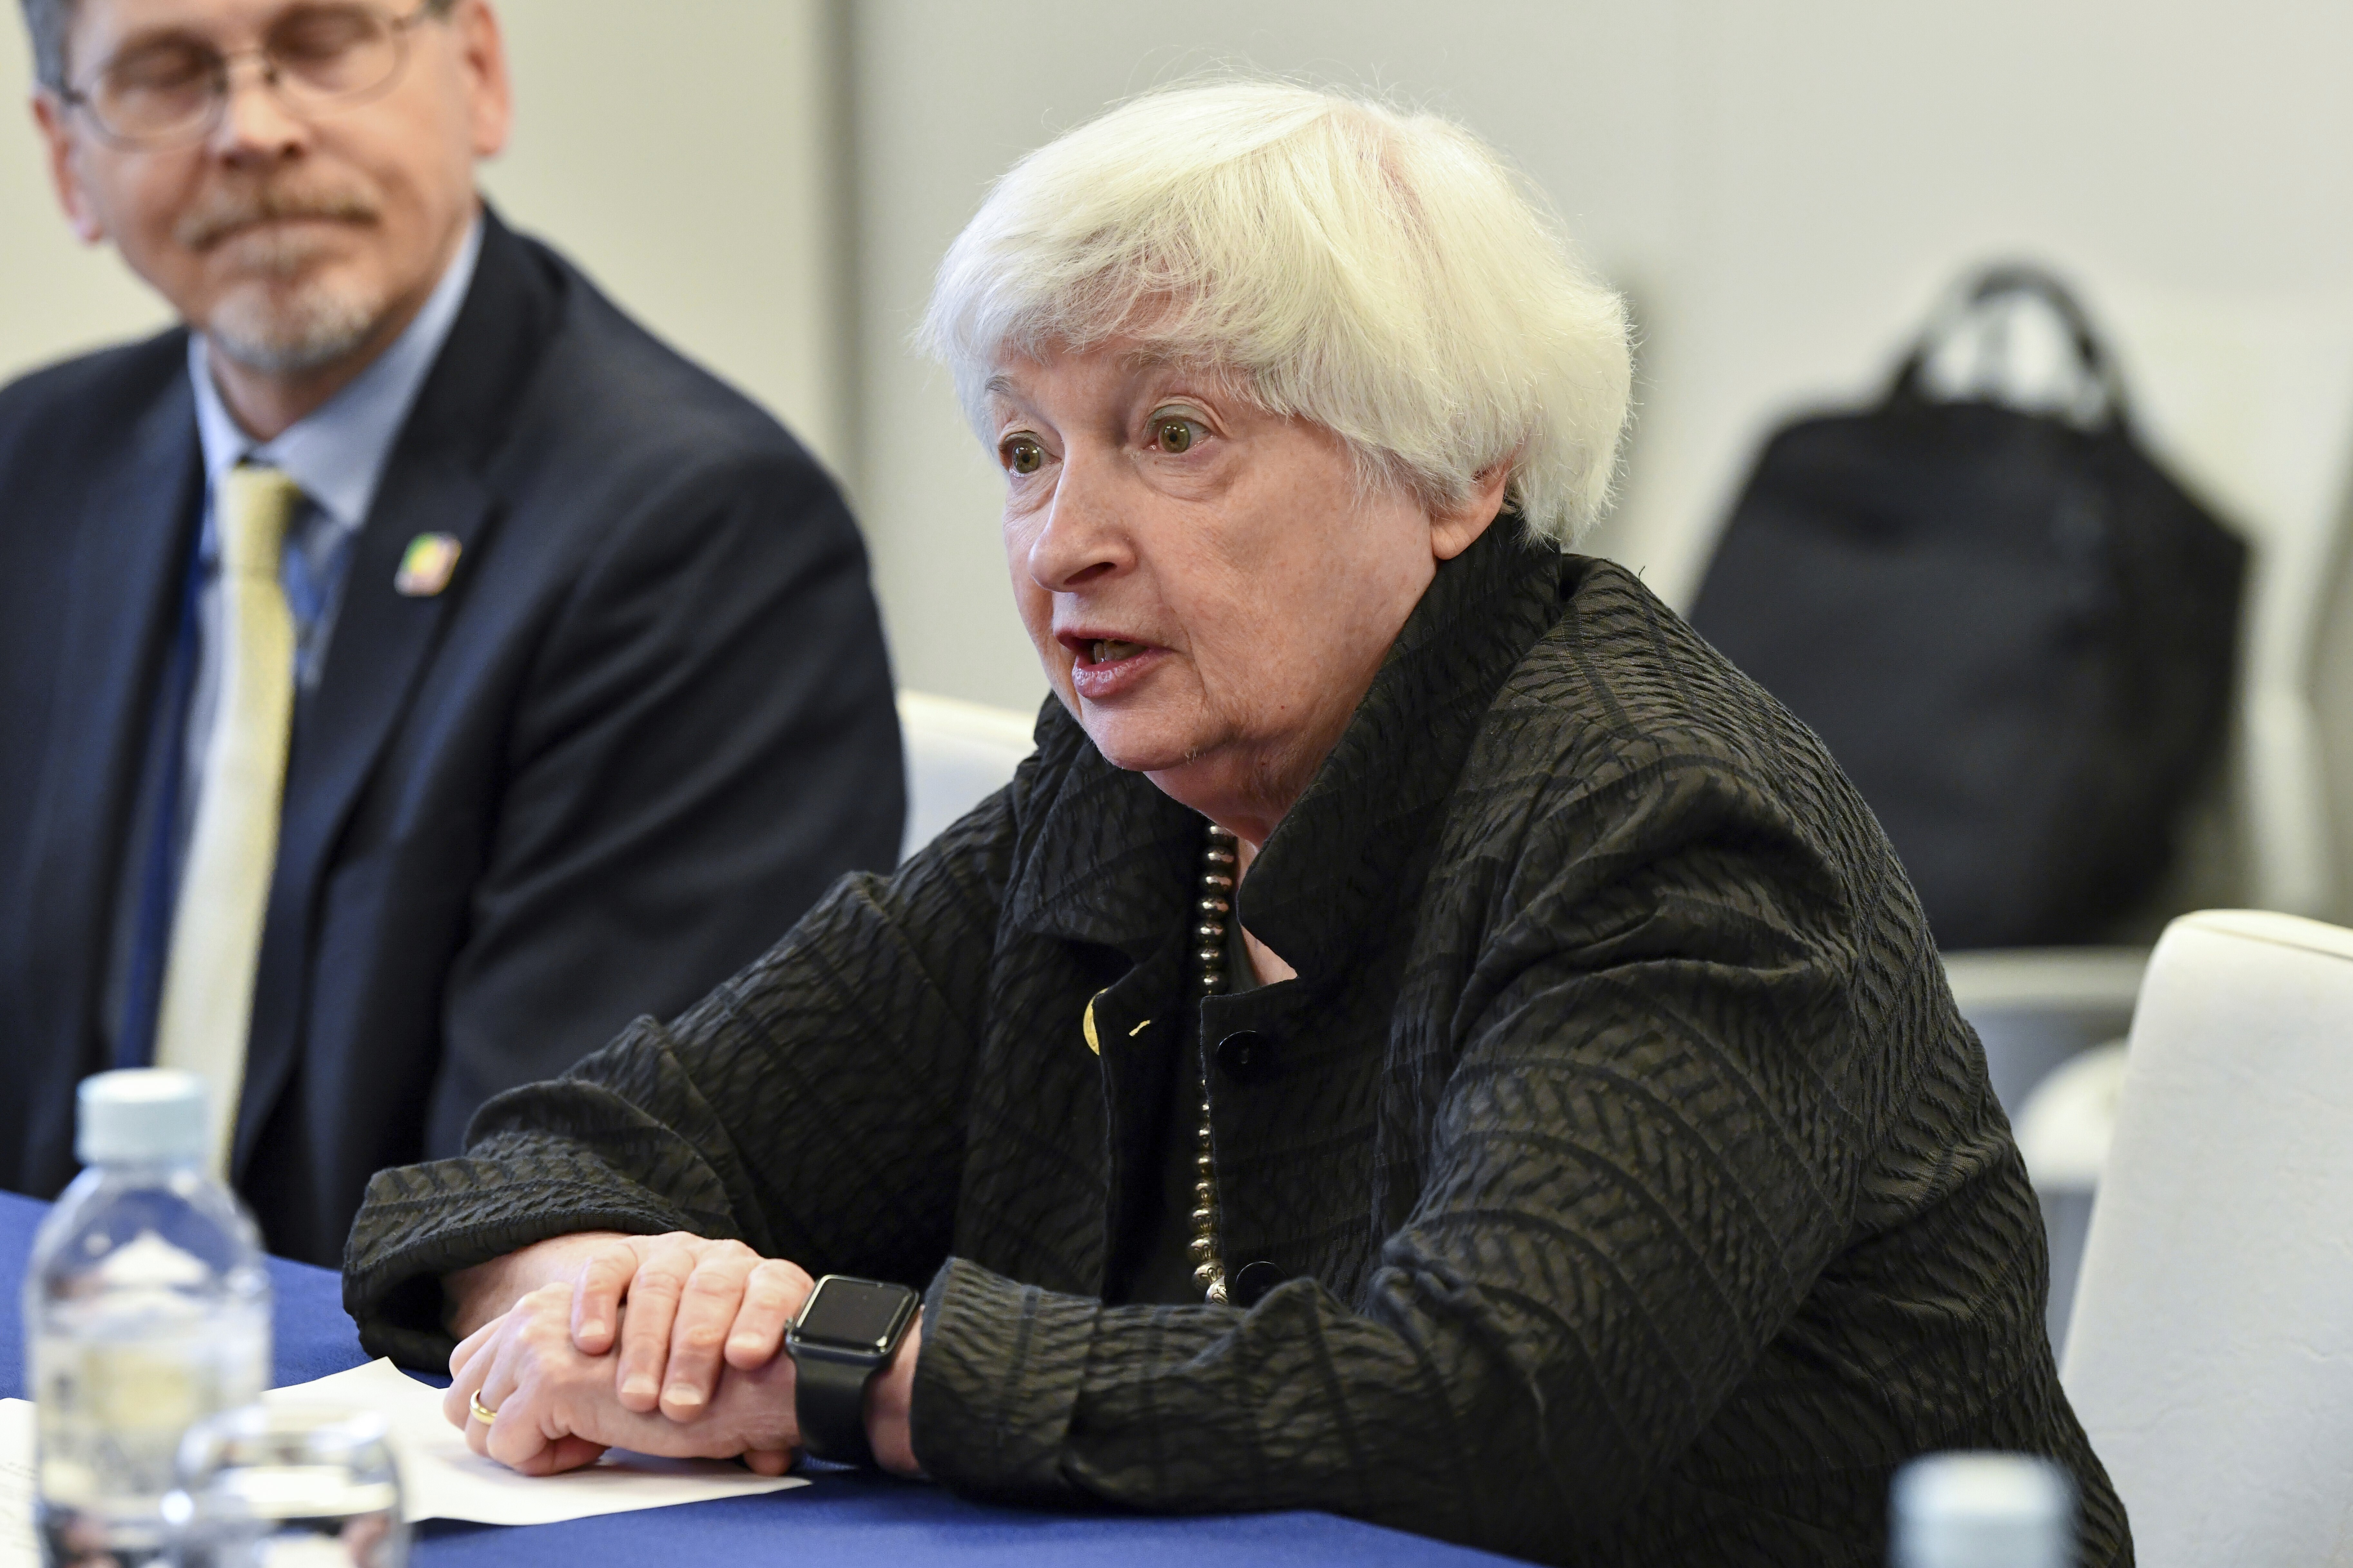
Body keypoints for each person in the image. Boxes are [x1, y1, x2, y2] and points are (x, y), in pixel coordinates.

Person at [342, 82, 2130, 1566]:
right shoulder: (1124, 800)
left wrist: (840, 1364)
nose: (1062, 545)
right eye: (1027, 450)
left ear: (1452, 470)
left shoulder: (1664, 825)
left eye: (1174, 433)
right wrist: (615, 1303)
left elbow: (1488, 1408)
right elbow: (548, 1154)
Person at [0, 0, 903, 1266]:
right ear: (65, 159)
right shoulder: (32, 472)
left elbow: (550, 1205)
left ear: (477, 71)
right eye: (166, 75)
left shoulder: (698, 536)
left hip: (427, 1416)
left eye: (320, 43)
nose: (254, 130)